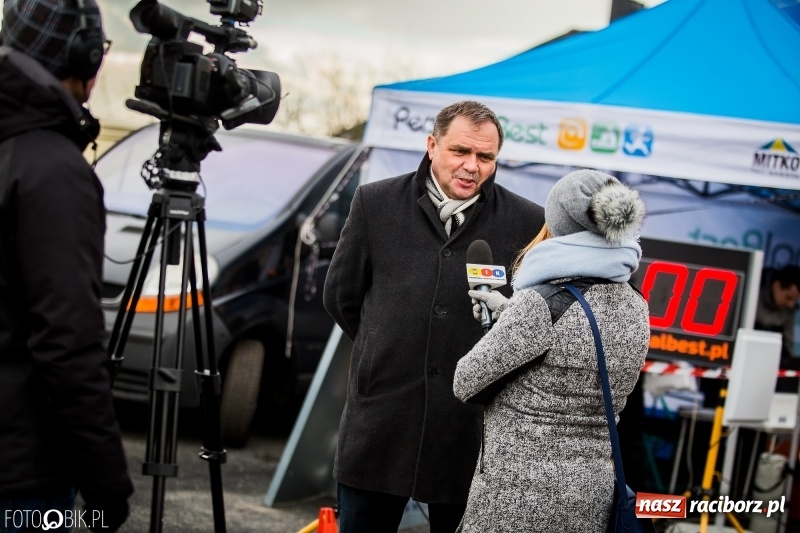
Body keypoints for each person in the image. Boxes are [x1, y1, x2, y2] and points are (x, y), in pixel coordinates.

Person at [323, 100, 544, 533]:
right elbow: (341, 296)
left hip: (467, 431)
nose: (471, 166)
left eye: (485, 157)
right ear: (431, 145)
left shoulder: (526, 221)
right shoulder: (376, 203)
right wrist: (385, 346)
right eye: (460, 151)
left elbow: (529, 321)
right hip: (381, 420)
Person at [454, 169, 650, 532]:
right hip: (592, 495)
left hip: (518, 497)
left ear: (560, 222)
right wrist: (511, 312)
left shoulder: (539, 303)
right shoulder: (637, 304)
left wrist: (509, 320)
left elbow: (466, 381)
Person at [0, 1, 133, 532]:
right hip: (21, 480)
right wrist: (107, 487)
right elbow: (67, 344)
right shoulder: (52, 171)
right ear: (79, 54)